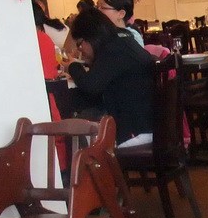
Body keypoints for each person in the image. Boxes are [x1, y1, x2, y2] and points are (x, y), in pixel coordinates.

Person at [65, 8, 154, 147]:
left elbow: (91, 86)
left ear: (91, 37)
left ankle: (79, 168)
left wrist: (72, 66)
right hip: (150, 124)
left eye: (80, 44)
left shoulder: (113, 50)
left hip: (135, 131)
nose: (80, 49)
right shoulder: (124, 41)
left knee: (77, 123)